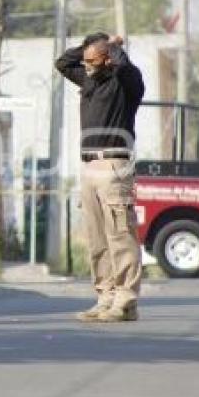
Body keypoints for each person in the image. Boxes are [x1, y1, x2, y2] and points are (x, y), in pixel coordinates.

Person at [56, 33, 145, 323]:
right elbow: (63, 62)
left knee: (120, 235)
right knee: (97, 239)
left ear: (108, 59)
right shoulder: (89, 80)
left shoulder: (126, 83)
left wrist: (115, 46)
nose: (87, 66)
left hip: (114, 165)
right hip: (90, 166)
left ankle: (126, 300)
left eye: (93, 61)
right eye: (86, 62)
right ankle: (105, 297)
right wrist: (90, 46)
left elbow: (125, 68)